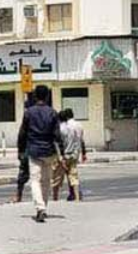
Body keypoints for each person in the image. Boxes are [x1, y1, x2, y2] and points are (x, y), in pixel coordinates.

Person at [17, 84, 62, 223]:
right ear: (47, 96)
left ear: (35, 96)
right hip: (49, 151)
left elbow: (23, 133)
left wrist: (20, 149)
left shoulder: (29, 112)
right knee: (46, 181)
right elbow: (57, 135)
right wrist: (62, 152)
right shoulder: (53, 113)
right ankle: (44, 207)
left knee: (35, 180)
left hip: (34, 151)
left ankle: (40, 208)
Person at [52, 108, 87, 202]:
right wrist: (83, 153)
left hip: (63, 156)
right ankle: (77, 197)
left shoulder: (62, 128)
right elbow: (81, 140)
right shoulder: (79, 125)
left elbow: (58, 143)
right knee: (73, 176)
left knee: (57, 178)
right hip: (74, 154)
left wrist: (60, 156)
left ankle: (55, 198)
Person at [11, 92, 34, 204]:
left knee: (23, 174)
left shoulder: (28, 115)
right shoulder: (48, 112)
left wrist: (20, 151)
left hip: (29, 150)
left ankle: (18, 195)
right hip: (42, 150)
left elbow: (21, 135)